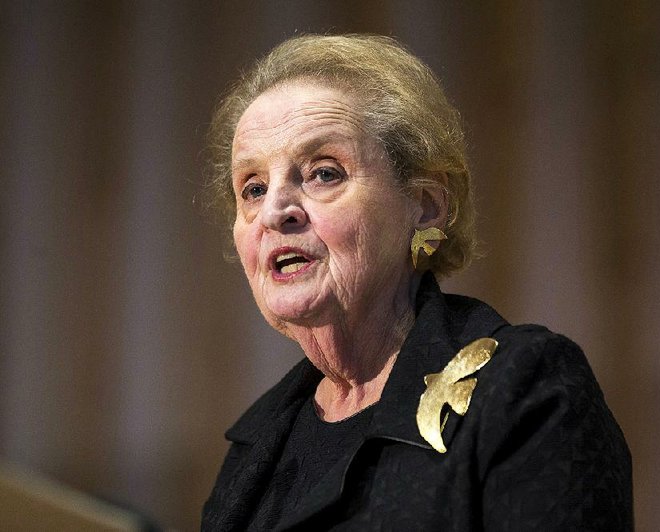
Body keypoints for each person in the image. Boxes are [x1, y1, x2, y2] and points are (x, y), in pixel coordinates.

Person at [201, 34, 632, 531]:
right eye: (252, 188)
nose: (274, 211)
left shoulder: (523, 390)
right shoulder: (256, 449)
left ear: (425, 206)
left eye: (323, 173)